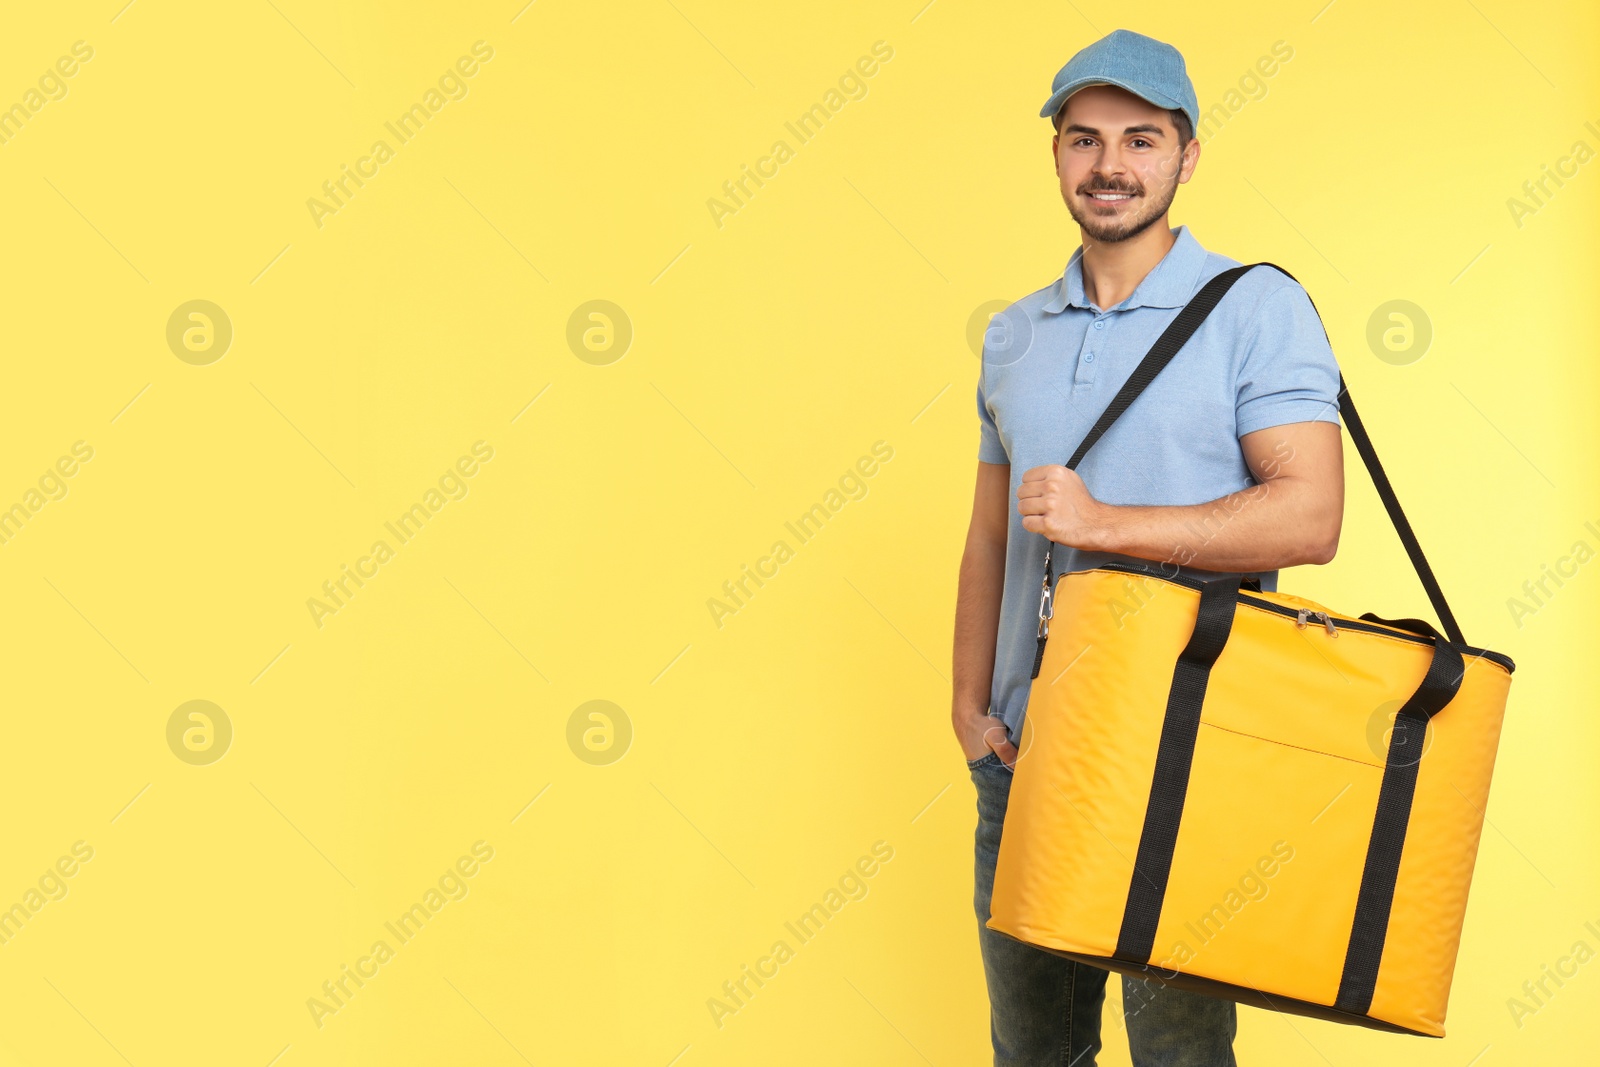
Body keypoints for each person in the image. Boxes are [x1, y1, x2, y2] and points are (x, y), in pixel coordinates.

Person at [952, 28, 1346, 1067]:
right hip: (1028, 750)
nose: (1110, 165)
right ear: (1054, 155)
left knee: (1180, 1053)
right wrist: (966, 703)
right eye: (1083, 140)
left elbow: (1309, 517)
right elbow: (991, 532)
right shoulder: (1012, 333)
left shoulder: (1256, 308)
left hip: (1184, 744)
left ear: (1185, 154)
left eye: (1139, 138)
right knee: (1034, 1051)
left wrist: (1105, 525)